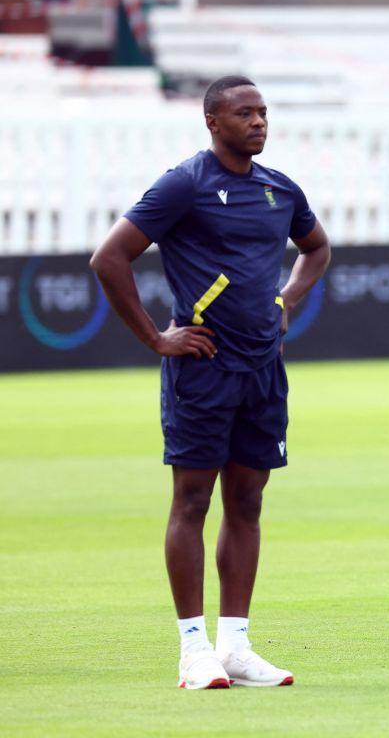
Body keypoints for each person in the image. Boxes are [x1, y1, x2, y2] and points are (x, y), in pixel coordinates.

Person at [90, 76, 331, 687]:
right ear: (211, 122)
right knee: (193, 501)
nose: (258, 122)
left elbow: (317, 247)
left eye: (263, 112)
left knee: (247, 503)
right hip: (202, 368)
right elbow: (109, 257)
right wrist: (155, 338)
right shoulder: (186, 184)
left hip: (262, 369)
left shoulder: (280, 189)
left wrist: (287, 301)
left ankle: (236, 646)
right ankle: (192, 648)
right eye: (243, 112)